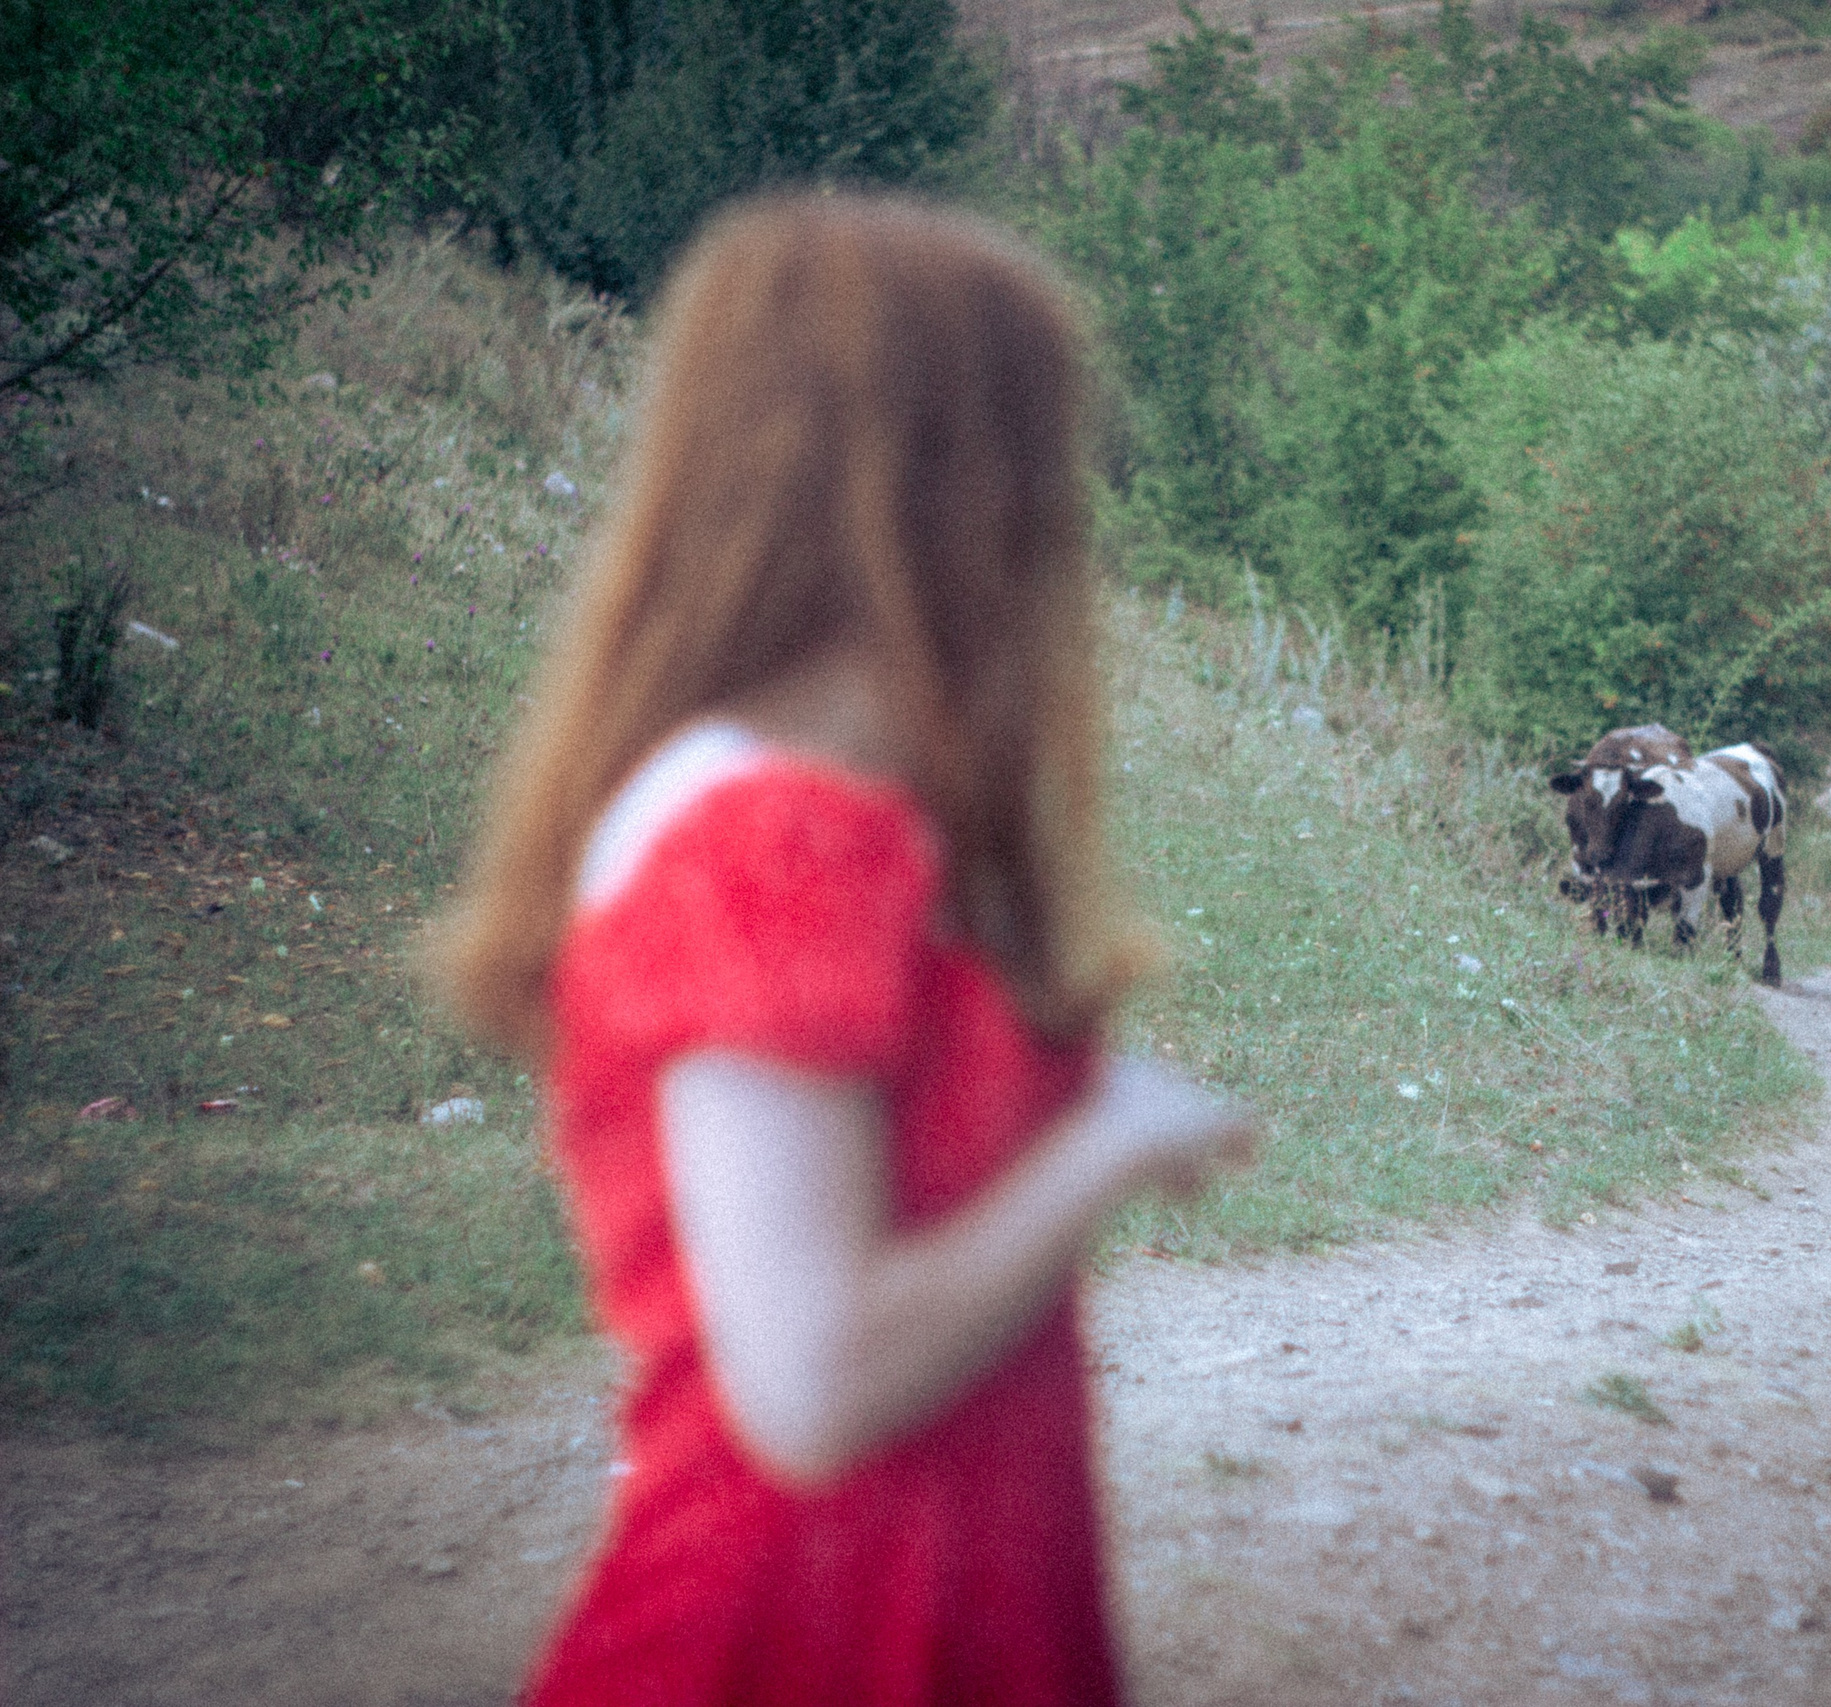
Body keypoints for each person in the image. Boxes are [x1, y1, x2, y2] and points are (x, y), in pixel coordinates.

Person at [431, 195, 1259, 1706]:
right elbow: (811, 1386)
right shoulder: (772, 839)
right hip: (804, 1644)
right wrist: (1107, 1146)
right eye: (1036, 451)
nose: (1060, 517)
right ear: (931, 484)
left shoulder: (809, 815)